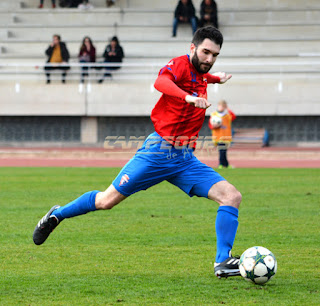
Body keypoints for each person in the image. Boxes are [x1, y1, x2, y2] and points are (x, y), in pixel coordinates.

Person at [33, 26, 242, 279]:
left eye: (214, 55)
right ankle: (56, 215)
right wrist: (187, 98)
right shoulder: (179, 64)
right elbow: (161, 81)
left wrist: (216, 78)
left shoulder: (201, 74)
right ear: (192, 48)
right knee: (105, 201)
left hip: (185, 159)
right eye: (205, 52)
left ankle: (223, 262)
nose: (209, 59)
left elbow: (200, 78)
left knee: (231, 196)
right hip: (157, 153)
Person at [209, 100, 236, 169]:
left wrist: (228, 109)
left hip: (226, 137)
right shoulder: (214, 115)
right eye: (221, 106)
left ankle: (226, 164)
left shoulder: (227, 116)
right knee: (221, 151)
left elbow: (233, 116)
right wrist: (214, 126)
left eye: (223, 106)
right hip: (218, 137)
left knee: (224, 151)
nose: (222, 108)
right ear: (218, 106)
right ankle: (221, 164)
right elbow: (210, 125)